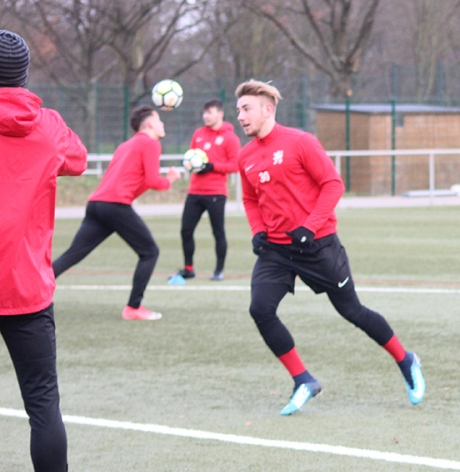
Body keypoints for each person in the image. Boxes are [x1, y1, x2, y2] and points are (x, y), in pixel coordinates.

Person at [235, 80, 424, 415]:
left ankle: (405, 359)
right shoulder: (245, 156)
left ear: (268, 110)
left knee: (352, 311)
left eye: (246, 109)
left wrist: (309, 227)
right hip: (276, 251)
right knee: (260, 309)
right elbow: (250, 199)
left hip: (318, 246)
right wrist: (258, 231)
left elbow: (333, 184)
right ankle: (303, 379)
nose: (240, 116)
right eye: (238, 110)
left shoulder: (300, 142)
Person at [0, 30, 87, 472]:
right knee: (42, 405)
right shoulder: (48, 126)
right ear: (24, 74)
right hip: (26, 288)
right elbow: (78, 159)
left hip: (24, 289)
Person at [53, 105, 181, 320]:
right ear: (150, 124)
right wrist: (169, 180)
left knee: (72, 254)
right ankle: (133, 308)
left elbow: (135, 182)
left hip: (96, 204)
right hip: (114, 206)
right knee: (150, 252)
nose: (163, 124)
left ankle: (30, 293)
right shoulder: (150, 143)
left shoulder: (126, 145)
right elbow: (153, 181)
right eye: (159, 120)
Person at [170, 99, 241, 284]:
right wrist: (192, 165)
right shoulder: (198, 134)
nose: (206, 116)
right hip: (195, 191)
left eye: (210, 112)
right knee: (186, 230)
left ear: (220, 114)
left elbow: (235, 165)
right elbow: (191, 158)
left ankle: (219, 270)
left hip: (216, 193)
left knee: (218, 232)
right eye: (205, 113)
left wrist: (212, 166)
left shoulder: (230, 138)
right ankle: (188, 269)